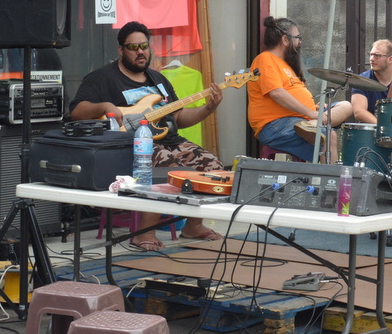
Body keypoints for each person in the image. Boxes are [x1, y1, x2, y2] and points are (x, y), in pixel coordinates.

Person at [69, 21, 224, 251]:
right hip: (130, 145)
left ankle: (193, 226)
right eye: (133, 47)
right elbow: (76, 112)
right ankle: (144, 232)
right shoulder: (102, 78)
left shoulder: (158, 79)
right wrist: (104, 106)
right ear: (121, 50)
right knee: (165, 166)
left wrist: (208, 109)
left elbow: (179, 117)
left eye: (144, 46)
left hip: (169, 141)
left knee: (214, 166)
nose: (140, 51)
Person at [247, 17, 352, 163]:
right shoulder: (265, 59)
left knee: (346, 106)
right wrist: (311, 112)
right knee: (329, 135)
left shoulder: (287, 65)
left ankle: (313, 124)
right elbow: (277, 93)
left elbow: (294, 95)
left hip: (302, 119)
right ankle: (330, 183)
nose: (300, 42)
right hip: (275, 124)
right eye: (297, 37)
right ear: (285, 40)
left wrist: (314, 109)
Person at [350, 39, 392, 124]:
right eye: (371, 55)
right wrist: (383, 128)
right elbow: (359, 112)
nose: (371, 59)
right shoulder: (361, 80)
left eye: (377, 56)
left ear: (390, 59)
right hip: (370, 133)